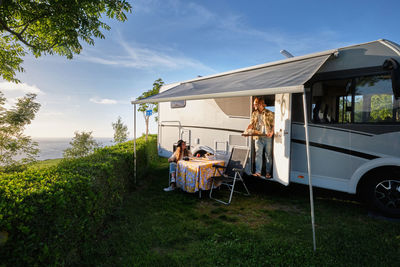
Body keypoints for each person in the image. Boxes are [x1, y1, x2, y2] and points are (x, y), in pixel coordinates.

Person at [246, 97, 274, 178]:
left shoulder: (269, 113)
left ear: (260, 104)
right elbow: (251, 124)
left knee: (268, 155)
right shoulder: (254, 113)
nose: (254, 105)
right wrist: (247, 130)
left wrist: (272, 132)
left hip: (267, 136)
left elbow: (273, 125)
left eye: (255, 104)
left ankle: (268, 173)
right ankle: (258, 172)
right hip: (257, 137)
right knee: (258, 154)